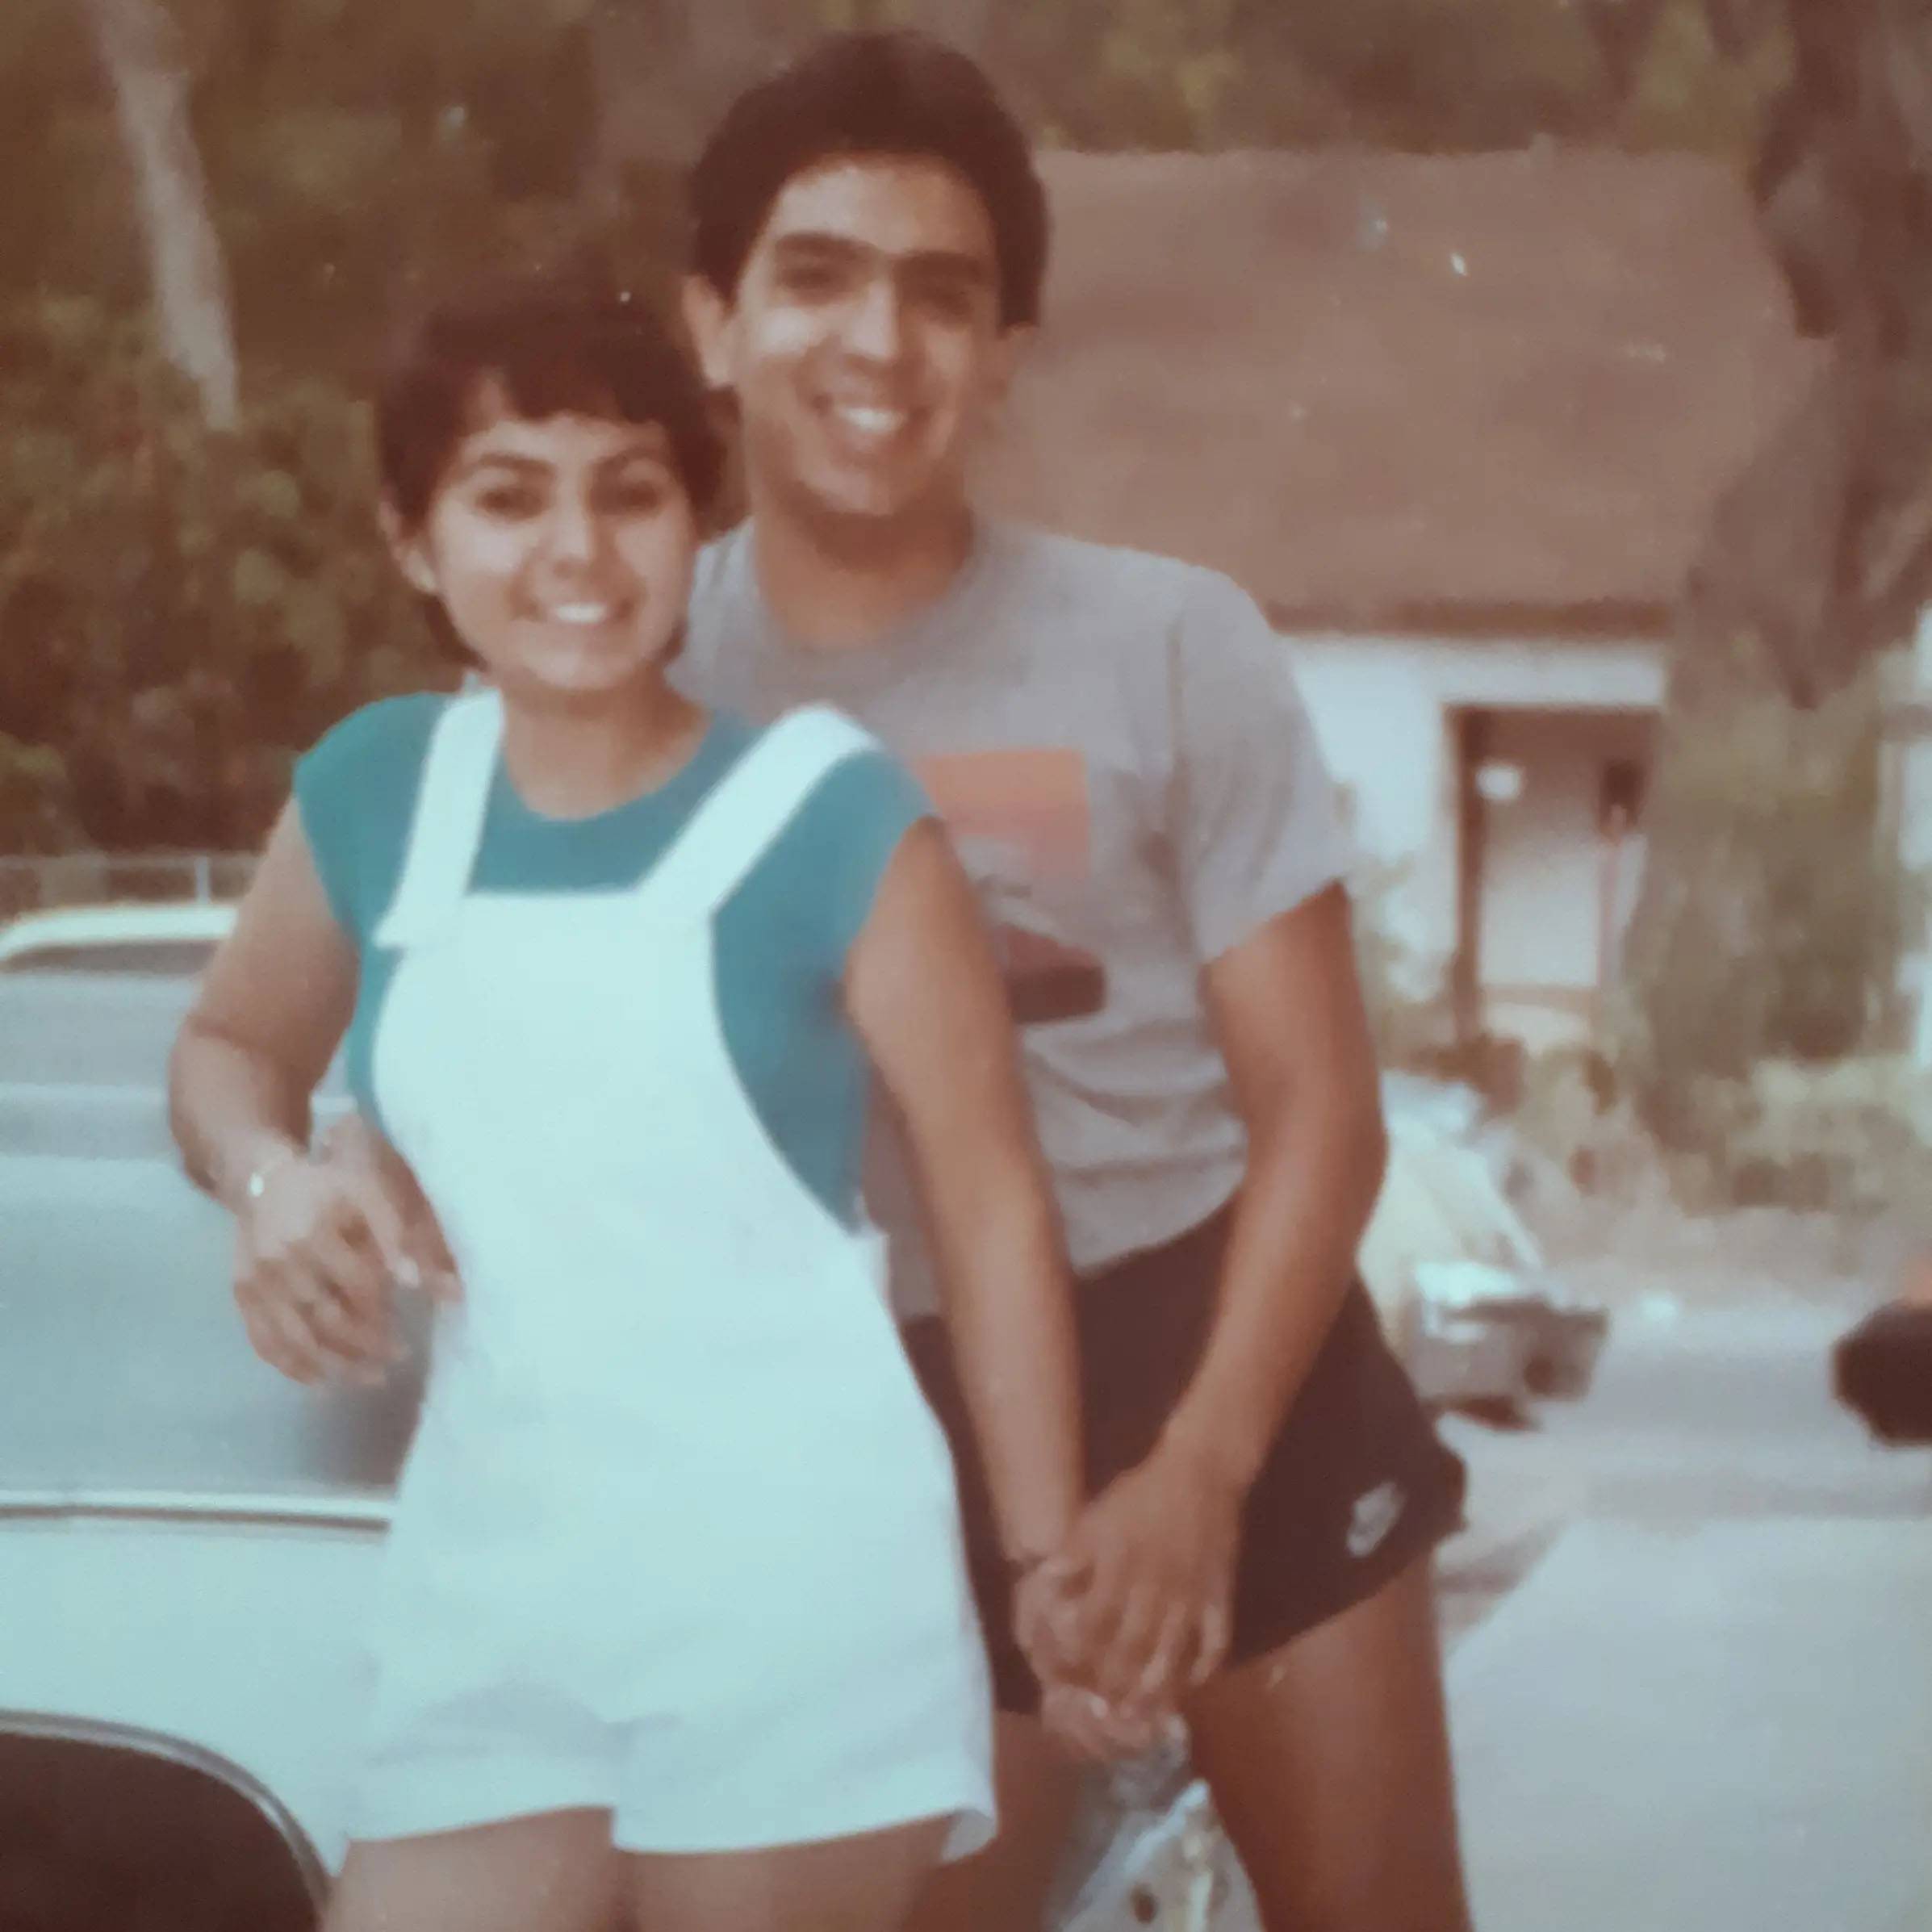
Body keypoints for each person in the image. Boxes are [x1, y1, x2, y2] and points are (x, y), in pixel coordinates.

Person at [166, 276, 1102, 1932]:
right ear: (412, 540)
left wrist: (1048, 1574)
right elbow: (228, 1051)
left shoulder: (834, 817)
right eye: (506, 496)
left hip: (792, 1602)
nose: (577, 553)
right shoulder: (380, 788)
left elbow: (993, 1200)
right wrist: (271, 1180)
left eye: (630, 490)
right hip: (494, 1603)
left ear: (696, 521)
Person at [671, 31, 1477, 1932]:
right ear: (712, 324)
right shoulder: (630, 665)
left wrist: (1202, 1468)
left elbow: (1323, 1114)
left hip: (1220, 1365)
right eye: (817, 277)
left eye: (941, 296)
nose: (881, 344)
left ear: (1003, 358)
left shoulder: (1166, 643)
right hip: (871, 1428)